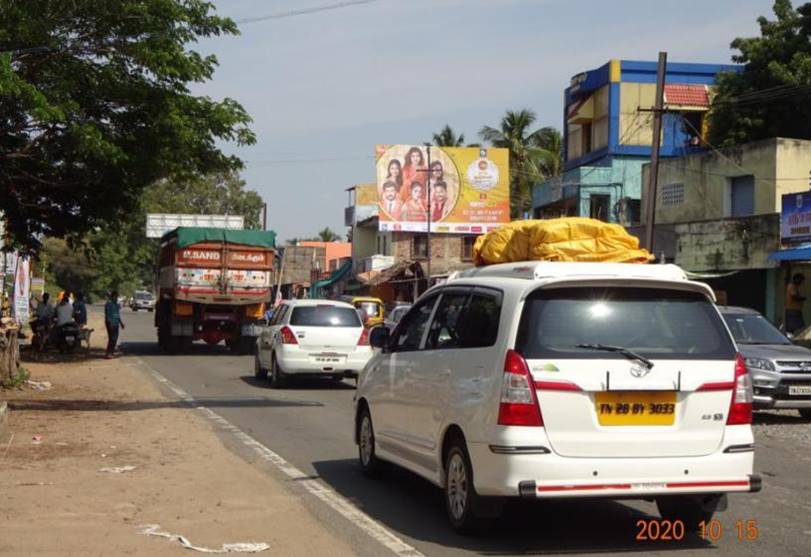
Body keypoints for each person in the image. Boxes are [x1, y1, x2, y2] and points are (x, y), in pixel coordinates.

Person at [104, 290, 125, 358]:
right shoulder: (108, 304)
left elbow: (117, 315)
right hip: (110, 323)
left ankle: (111, 352)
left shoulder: (117, 305)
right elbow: (108, 315)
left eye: (117, 297)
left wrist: (121, 323)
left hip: (116, 323)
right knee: (111, 338)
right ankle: (108, 353)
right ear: (112, 297)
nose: (116, 298)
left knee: (115, 338)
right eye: (115, 297)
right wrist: (110, 323)